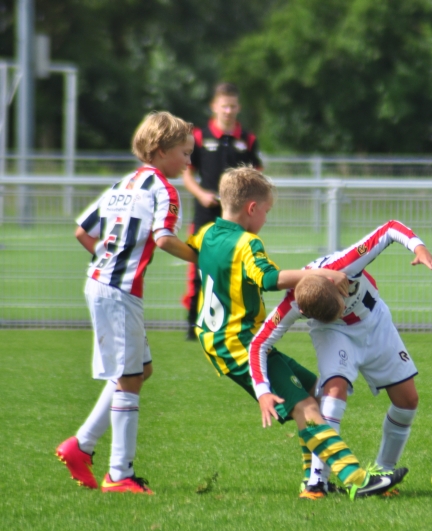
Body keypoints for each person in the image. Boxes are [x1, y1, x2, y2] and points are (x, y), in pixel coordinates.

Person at [188, 167, 406, 500]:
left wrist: (161, 240)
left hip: (218, 337)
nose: (266, 218)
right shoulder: (247, 243)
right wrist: (321, 273)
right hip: (238, 343)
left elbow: (187, 250)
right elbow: (269, 279)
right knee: (307, 406)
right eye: (267, 211)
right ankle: (357, 479)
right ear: (251, 208)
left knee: (313, 390)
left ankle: (313, 483)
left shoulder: (206, 235)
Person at [56, 111, 198, 494]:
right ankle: (119, 474)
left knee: (138, 371)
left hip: (105, 285)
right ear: (161, 149)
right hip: (118, 291)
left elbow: (83, 231)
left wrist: (106, 259)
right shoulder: (163, 190)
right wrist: (203, 260)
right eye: (184, 153)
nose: (189, 162)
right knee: (129, 377)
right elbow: (166, 239)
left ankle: (81, 445)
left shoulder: (123, 183)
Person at [249, 220, 432, 496]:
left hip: (374, 321)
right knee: (334, 390)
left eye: (339, 308)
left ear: (338, 284)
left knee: (408, 400)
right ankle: (317, 481)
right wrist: (262, 391)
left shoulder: (347, 263)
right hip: (333, 333)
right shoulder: (294, 303)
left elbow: (389, 228)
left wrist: (418, 247)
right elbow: (258, 344)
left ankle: (383, 473)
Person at [182, 82, 262, 340]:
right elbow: (187, 174)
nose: (228, 111)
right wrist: (202, 194)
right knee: (198, 266)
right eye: (223, 106)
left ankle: (232, 322)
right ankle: (193, 325)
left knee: (236, 266)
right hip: (206, 213)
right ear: (214, 106)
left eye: (233, 106)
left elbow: (257, 173)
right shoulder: (199, 137)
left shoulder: (247, 139)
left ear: (238, 108)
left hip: (236, 216)